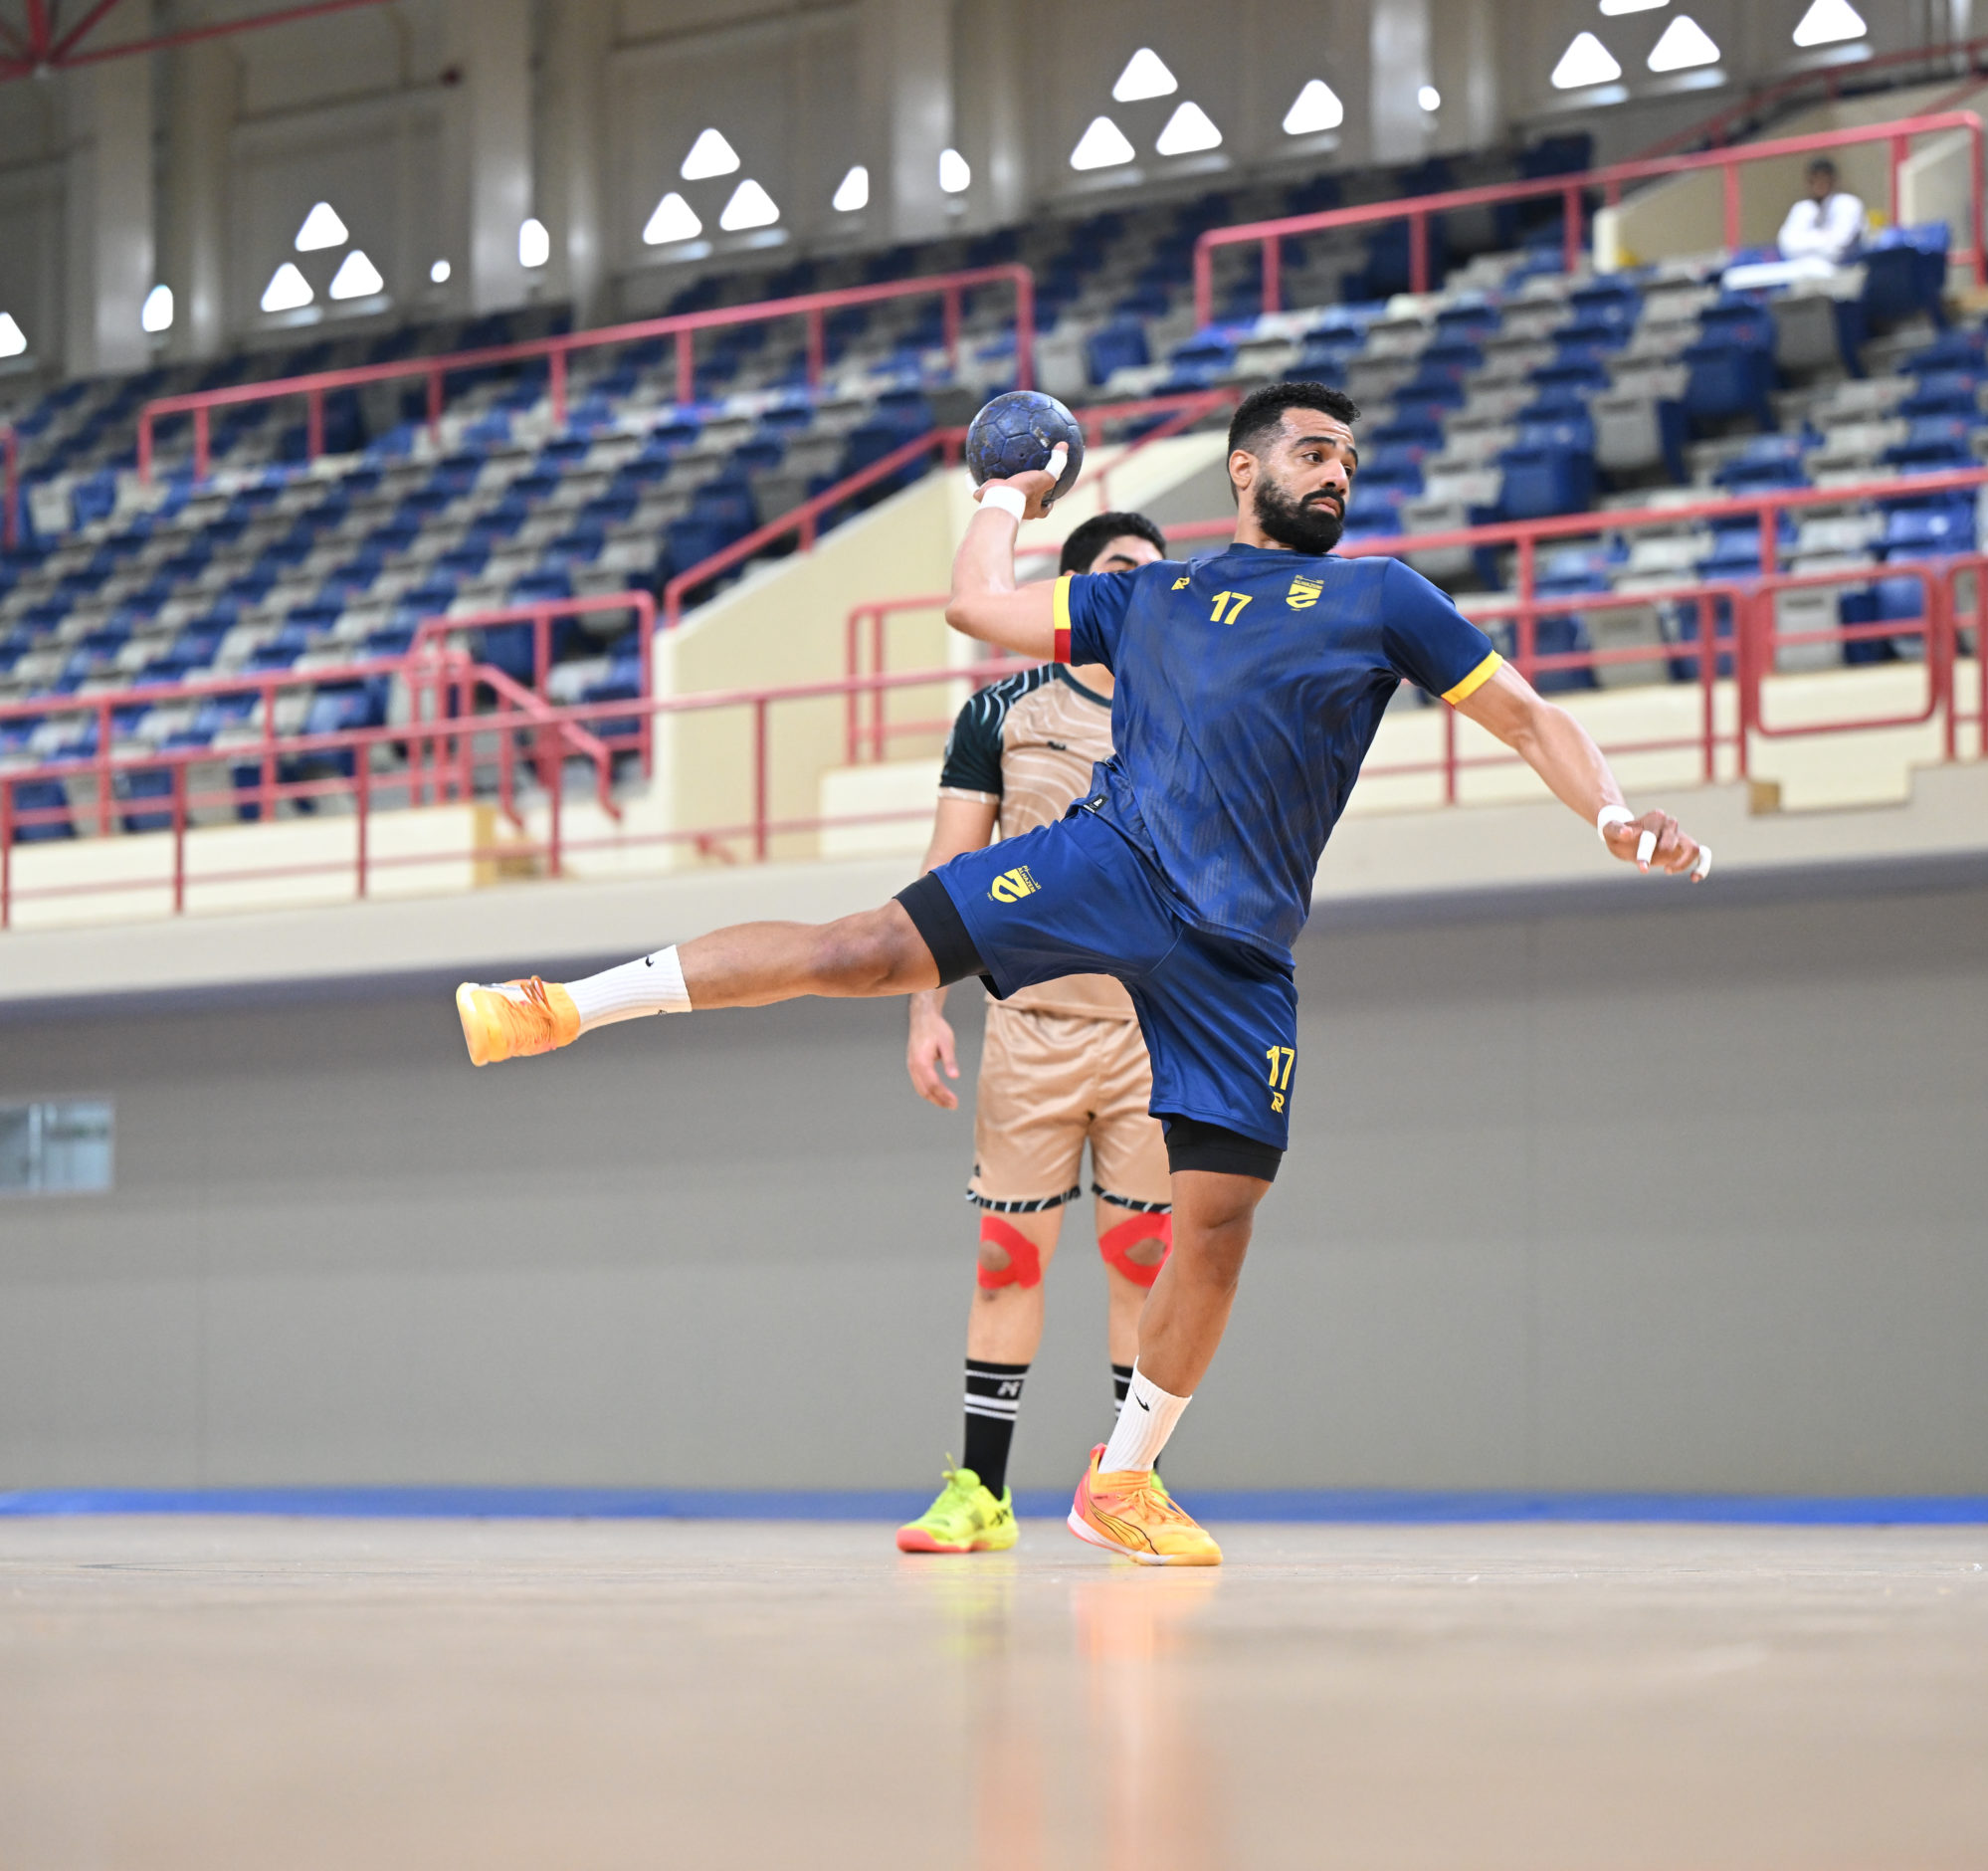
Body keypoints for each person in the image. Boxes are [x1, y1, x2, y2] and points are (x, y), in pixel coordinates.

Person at [450, 380, 1708, 1567]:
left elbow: (1531, 715)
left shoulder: (1382, 597)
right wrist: (1003, 494)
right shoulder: (1146, 595)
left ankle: (1122, 1478)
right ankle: (558, 1006)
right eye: (1314, 451)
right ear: (1246, 469)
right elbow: (976, 607)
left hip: (1239, 948)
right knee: (862, 949)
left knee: (1215, 1226)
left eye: (1349, 460)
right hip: (1112, 859)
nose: (1337, 473)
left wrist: (1609, 814)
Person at [896, 510, 1175, 1557]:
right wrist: (924, 1005)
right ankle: (982, 1492)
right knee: (1007, 1256)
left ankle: (1131, 1487)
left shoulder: (1190, 708)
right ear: (1077, 592)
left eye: (1156, 575)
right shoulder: (1002, 711)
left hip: (1152, 1029)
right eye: (1121, 572)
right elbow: (947, 870)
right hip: (1031, 1027)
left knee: (1144, 1260)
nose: (1143, 589)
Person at [1776, 158, 1866, 266]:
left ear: (1833, 180)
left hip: (1848, 269)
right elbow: (1787, 246)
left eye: (1823, 178)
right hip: (1807, 270)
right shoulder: (1802, 208)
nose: (1819, 184)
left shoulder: (1848, 203)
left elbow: (1839, 248)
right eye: (1814, 179)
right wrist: (1824, 238)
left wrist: (1805, 241)